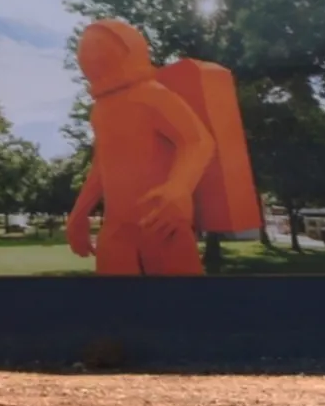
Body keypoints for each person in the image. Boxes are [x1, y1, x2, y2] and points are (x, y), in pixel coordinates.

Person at [65, 17, 216, 277]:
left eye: (98, 44)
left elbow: (197, 140)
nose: (88, 53)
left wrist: (179, 188)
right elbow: (102, 164)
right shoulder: (100, 111)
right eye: (84, 47)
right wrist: (79, 213)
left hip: (160, 221)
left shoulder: (152, 94)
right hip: (116, 229)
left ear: (127, 47)